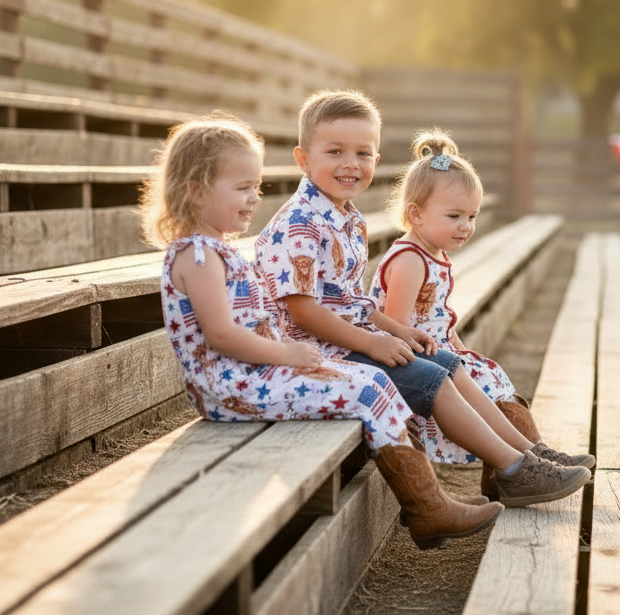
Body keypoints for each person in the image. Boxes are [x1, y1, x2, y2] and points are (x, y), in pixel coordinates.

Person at [140, 111, 502, 550]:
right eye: (242, 188)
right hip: (231, 385)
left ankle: (430, 505)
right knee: (368, 387)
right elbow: (221, 335)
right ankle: (429, 507)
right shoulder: (196, 256)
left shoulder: (216, 250)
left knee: (372, 380)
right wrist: (288, 354)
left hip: (254, 372)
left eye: (256, 187)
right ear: (195, 189)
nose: (255, 198)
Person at [255, 90, 591, 509]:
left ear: (376, 161)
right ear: (303, 159)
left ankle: (528, 454)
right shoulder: (301, 224)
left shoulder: (347, 217)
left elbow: (354, 302)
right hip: (317, 353)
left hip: (348, 341)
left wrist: (396, 330)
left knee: (449, 362)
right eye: (335, 151)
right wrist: (373, 342)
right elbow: (301, 311)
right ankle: (513, 470)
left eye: (363, 153)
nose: (351, 163)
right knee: (429, 377)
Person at [372, 128, 596, 499]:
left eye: (472, 216)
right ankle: (525, 461)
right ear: (416, 214)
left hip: (437, 352)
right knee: (482, 380)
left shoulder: (435, 254)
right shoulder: (410, 259)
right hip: (411, 357)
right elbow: (397, 327)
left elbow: (439, 315)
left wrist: (458, 346)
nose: (466, 226)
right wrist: (448, 353)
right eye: (455, 215)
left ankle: (532, 455)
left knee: (488, 372)